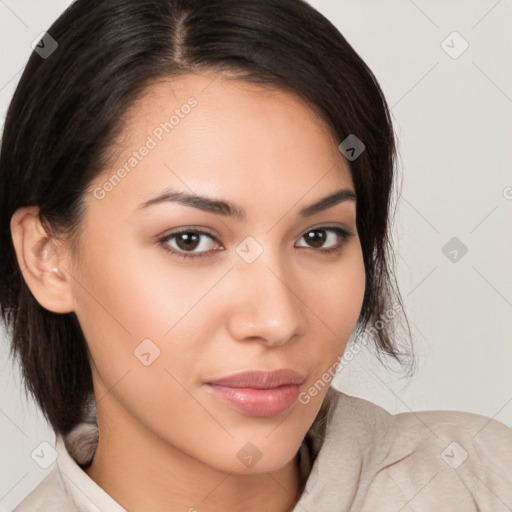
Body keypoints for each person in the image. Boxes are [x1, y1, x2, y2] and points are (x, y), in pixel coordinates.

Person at [0, 0, 510, 510]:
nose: (276, 320)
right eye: (191, 240)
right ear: (48, 258)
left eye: (318, 236)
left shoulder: (481, 481)